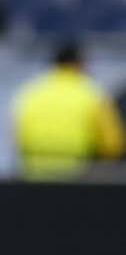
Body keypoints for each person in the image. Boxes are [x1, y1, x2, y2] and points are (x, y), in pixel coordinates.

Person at [13, 42, 125, 180]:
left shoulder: (31, 92)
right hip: (75, 175)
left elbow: (18, 139)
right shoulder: (92, 94)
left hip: (33, 173)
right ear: (78, 64)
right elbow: (112, 146)